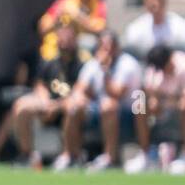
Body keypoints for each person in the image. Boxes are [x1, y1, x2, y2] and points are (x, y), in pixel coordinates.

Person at [1, 22, 83, 168]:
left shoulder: (82, 65)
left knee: (73, 106)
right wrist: (45, 102)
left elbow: (79, 92)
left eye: (68, 37)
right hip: (48, 104)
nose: (63, 41)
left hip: (68, 107)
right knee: (21, 106)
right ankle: (28, 155)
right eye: (61, 37)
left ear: (75, 39)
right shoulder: (49, 64)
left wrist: (56, 107)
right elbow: (40, 86)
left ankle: (69, 156)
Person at [58, 30, 141, 172]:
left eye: (109, 47)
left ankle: (109, 157)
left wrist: (105, 70)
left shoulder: (128, 64)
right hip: (98, 110)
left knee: (109, 106)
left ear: (117, 48)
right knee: (73, 106)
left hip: (129, 113)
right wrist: (79, 98)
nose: (105, 51)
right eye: (102, 47)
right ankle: (70, 155)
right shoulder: (92, 64)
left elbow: (116, 94)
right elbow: (79, 88)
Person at [126, 44, 185, 174]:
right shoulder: (156, 67)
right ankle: (145, 155)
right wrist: (153, 100)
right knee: (139, 103)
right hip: (165, 107)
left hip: (182, 109)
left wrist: (169, 101)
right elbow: (148, 90)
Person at [38, 0, 106, 62]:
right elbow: (43, 27)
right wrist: (58, 16)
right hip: (59, 49)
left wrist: (77, 15)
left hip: (84, 51)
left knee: (88, 42)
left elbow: (100, 29)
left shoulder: (100, 5)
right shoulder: (64, 3)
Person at [121, 0, 185, 61]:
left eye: (159, 1)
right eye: (151, 2)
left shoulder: (179, 25)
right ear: (145, 4)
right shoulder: (136, 28)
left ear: (165, 2)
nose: (156, 4)